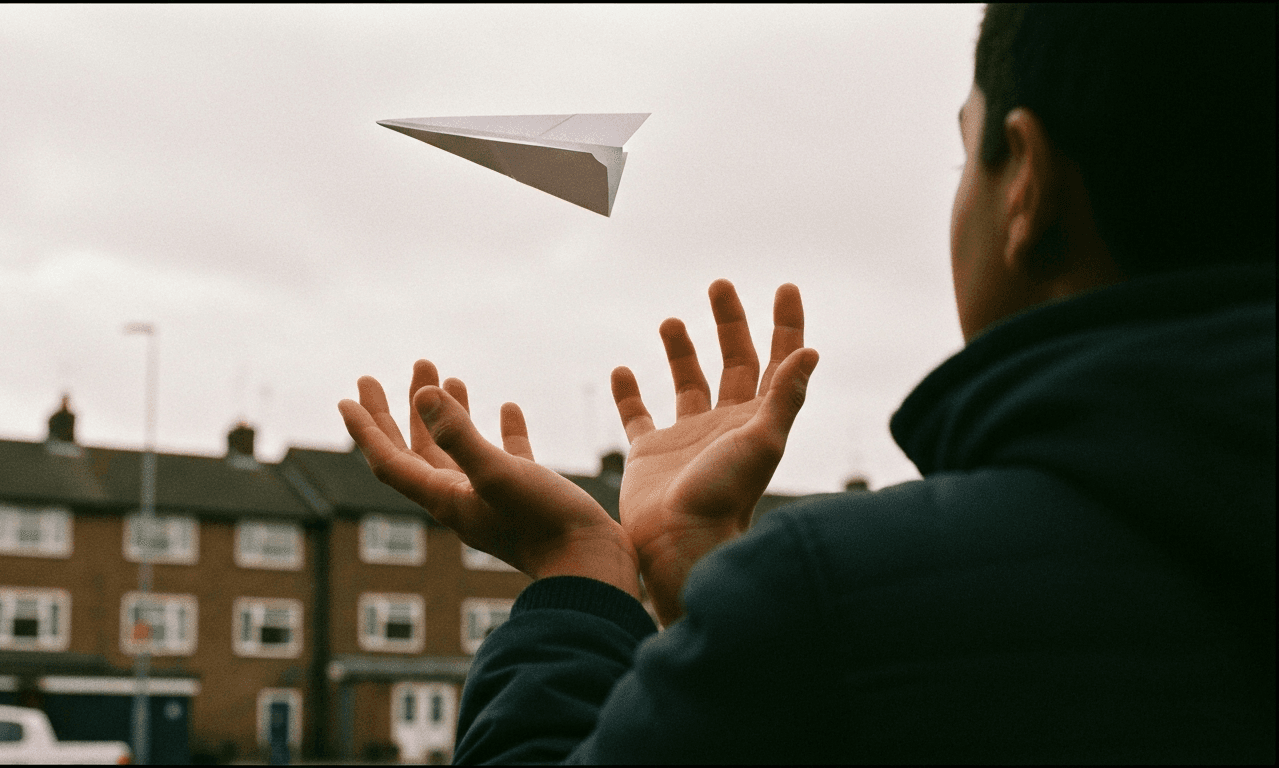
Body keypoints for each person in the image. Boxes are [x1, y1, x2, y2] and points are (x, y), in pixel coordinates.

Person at [339, 4, 1274, 763]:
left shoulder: (842, 605)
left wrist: (581, 574)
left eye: (965, 155)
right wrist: (703, 565)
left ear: (1026, 187)